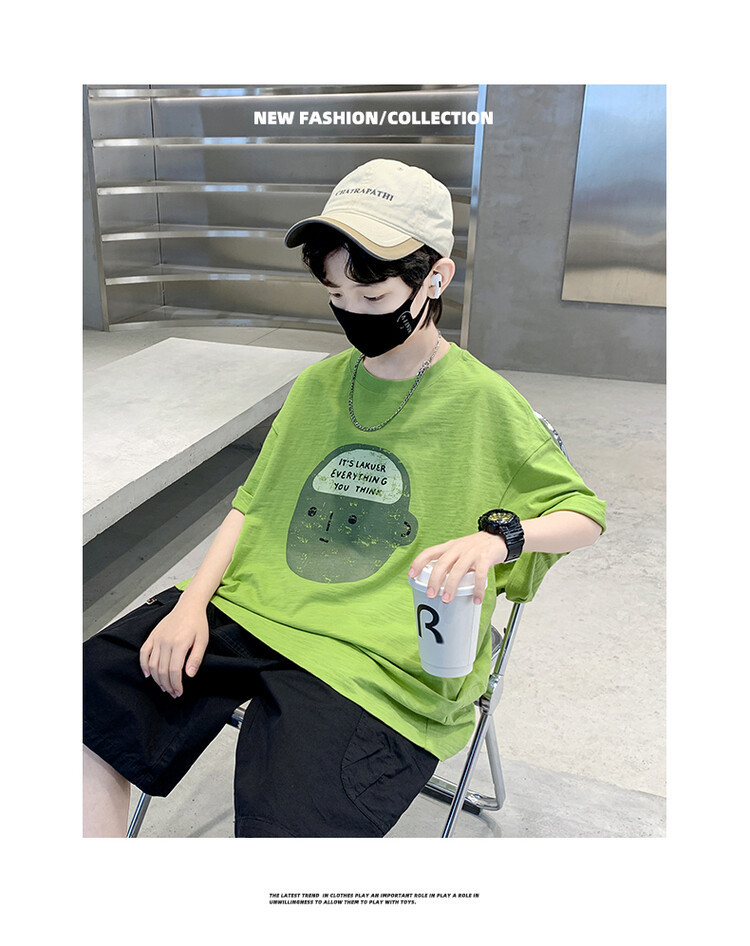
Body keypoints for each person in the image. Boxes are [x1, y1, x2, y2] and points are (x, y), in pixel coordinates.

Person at [83, 158, 606, 838]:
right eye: (336, 294)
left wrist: (500, 539)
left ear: (435, 278)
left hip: (381, 653)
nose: (352, 313)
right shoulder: (318, 387)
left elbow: (584, 515)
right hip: (256, 605)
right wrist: (190, 604)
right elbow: (253, 505)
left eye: (373, 295)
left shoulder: (483, 401)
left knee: (290, 818)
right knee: (89, 695)